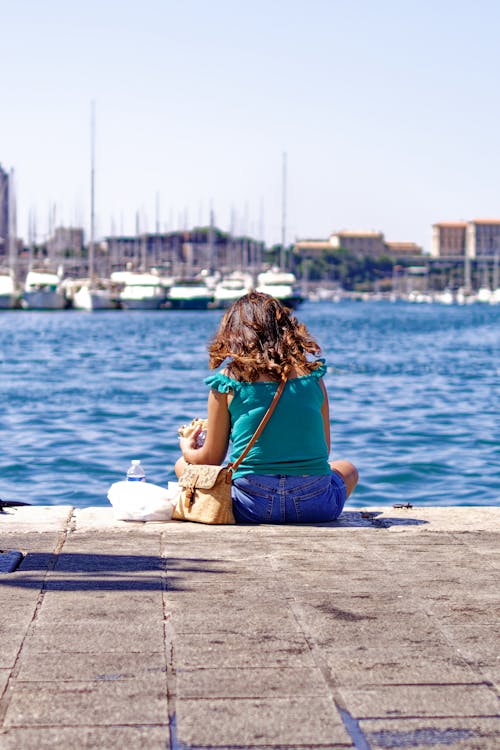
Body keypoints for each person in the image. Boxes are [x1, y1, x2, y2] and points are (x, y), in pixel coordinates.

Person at [175, 291, 358, 523]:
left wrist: (187, 447)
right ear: (286, 329)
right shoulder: (312, 376)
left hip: (250, 505)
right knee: (348, 468)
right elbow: (324, 449)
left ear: (233, 334)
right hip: (315, 503)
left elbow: (210, 459)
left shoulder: (227, 381)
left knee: (182, 465)